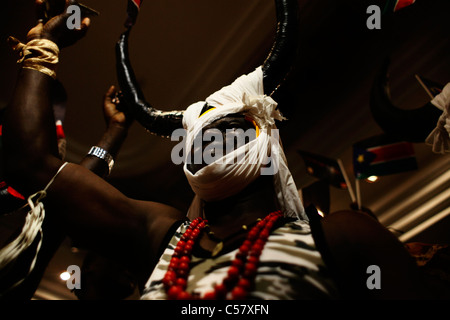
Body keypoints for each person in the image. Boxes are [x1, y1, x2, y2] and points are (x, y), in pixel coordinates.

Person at [1, 0, 430, 300]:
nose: (215, 133)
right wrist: (42, 47)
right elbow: (35, 164)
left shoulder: (345, 237)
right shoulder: (158, 234)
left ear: (266, 140)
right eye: (202, 133)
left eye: (232, 124)